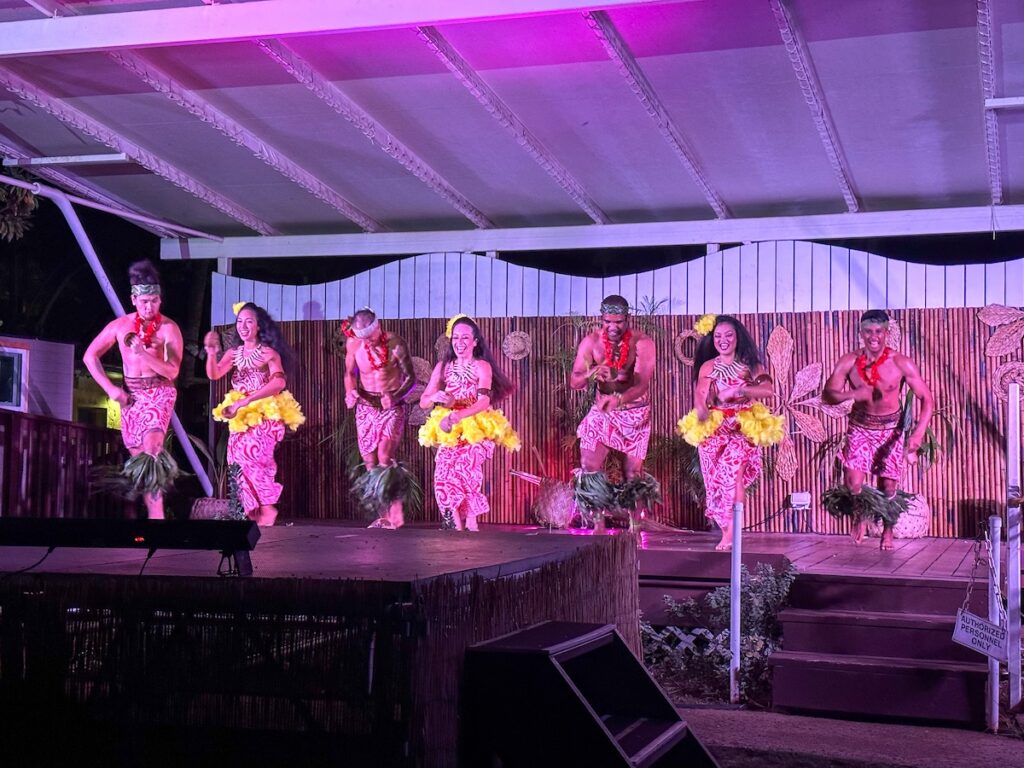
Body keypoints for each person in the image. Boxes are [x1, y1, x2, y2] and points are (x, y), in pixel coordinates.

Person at [823, 309, 934, 550]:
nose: (873, 337)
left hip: (890, 431)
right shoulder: (849, 361)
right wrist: (852, 393)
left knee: (888, 487)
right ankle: (860, 515)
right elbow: (828, 395)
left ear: (886, 332)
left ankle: (888, 530)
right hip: (860, 427)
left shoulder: (901, 362)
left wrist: (917, 434)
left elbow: (927, 399)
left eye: (879, 331)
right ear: (861, 333)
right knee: (853, 484)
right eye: (868, 331)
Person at [83, 259, 183, 519]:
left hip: (160, 393)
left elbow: (172, 371)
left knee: (152, 450)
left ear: (160, 300)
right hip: (131, 398)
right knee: (144, 466)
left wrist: (144, 354)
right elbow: (90, 356)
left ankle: (157, 519)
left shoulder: (169, 329)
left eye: (154, 301)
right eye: (144, 301)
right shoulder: (120, 326)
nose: (149, 306)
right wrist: (110, 389)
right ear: (133, 300)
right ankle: (154, 517)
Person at [680, 314, 781, 550]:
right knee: (714, 481)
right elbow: (700, 393)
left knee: (731, 476)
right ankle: (727, 530)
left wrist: (741, 389)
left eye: (728, 335)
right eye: (718, 336)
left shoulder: (751, 365)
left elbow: (767, 389)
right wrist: (702, 409)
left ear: (738, 338)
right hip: (715, 428)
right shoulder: (708, 366)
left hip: (742, 427)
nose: (723, 340)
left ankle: (732, 535)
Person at [204, 302, 304, 526]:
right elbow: (214, 374)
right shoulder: (233, 353)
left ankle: (267, 509)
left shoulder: (268, 353)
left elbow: (279, 381)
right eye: (240, 322)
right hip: (241, 418)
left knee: (255, 459)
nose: (243, 326)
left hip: (264, 415)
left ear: (259, 326)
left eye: (249, 321)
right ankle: (251, 511)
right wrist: (211, 353)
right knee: (236, 462)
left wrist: (246, 401)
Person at [418, 314, 519, 531]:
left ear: (475, 341)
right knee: (443, 474)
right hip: (450, 426)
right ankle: (454, 526)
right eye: (455, 338)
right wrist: (435, 397)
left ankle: (471, 526)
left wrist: (459, 415)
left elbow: (484, 401)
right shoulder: (443, 366)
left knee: (465, 474)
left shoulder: (481, 366)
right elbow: (424, 401)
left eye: (465, 338)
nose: (459, 343)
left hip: (474, 423)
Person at [569, 295, 658, 532]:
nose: (613, 326)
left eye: (618, 321)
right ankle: (598, 526)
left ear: (627, 319)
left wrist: (618, 398)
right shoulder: (591, 343)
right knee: (589, 465)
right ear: (602, 318)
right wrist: (593, 372)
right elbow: (575, 381)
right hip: (602, 411)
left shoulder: (643, 343)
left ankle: (635, 528)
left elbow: (642, 383)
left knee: (633, 473)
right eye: (608, 321)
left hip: (634, 414)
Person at [342, 307, 418, 529]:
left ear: (378, 327)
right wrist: (350, 391)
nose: (367, 342)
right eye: (362, 338)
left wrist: (394, 397)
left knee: (384, 457)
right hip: (365, 407)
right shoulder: (354, 345)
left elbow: (411, 379)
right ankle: (384, 515)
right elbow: (350, 374)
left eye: (370, 337)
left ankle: (395, 511)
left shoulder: (395, 344)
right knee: (370, 463)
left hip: (391, 408)